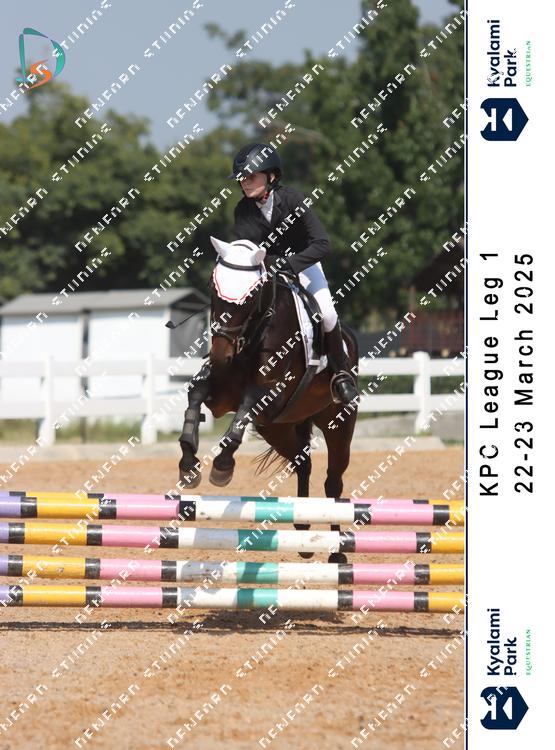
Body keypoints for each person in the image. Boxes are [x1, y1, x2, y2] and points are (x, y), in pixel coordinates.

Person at [229, 141, 358, 405]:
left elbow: (322, 244)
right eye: (242, 178)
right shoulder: (242, 211)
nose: (244, 182)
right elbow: (246, 252)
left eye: (251, 177)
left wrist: (288, 264)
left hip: (305, 265)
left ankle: (341, 373)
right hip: (266, 272)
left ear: (271, 176)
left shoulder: (293, 200)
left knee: (327, 313)